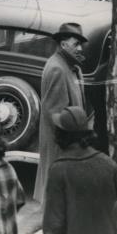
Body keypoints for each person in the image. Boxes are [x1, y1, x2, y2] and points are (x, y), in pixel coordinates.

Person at [42, 106, 117, 234]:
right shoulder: (106, 163)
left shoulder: (59, 170)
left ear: (61, 135)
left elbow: (53, 226)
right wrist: (112, 204)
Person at [36, 22, 87, 209]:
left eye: (81, 44)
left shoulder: (71, 66)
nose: (80, 48)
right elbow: (56, 114)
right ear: (63, 44)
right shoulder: (57, 68)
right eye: (76, 44)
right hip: (61, 145)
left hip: (68, 144)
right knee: (57, 198)